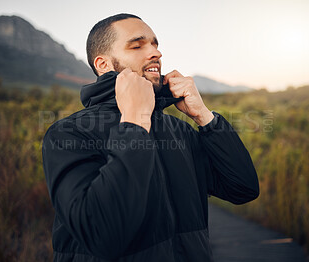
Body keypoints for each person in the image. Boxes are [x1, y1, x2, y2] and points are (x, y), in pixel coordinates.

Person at [42, 13, 259, 262]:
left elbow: (243, 189)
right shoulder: (69, 134)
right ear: (103, 65)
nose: (156, 53)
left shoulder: (181, 131)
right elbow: (101, 235)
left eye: (155, 44)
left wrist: (204, 116)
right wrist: (134, 121)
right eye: (137, 45)